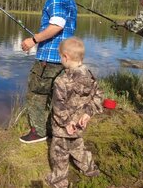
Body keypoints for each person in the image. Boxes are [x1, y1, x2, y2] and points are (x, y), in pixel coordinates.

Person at [20, 0, 77, 144]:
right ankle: (58, 130)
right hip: (65, 56)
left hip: (50, 57)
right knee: (58, 96)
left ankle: (38, 132)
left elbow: (57, 24)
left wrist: (33, 40)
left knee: (36, 93)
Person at [45, 37, 103, 188]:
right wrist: (88, 113)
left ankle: (59, 181)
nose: (60, 60)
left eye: (60, 57)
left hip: (63, 128)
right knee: (78, 148)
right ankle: (90, 170)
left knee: (59, 154)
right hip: (80, 124)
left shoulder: (61, 81)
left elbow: (58, 107)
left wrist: (66, 123)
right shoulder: (90, 75)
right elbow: (98, 96)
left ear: (66, 57)